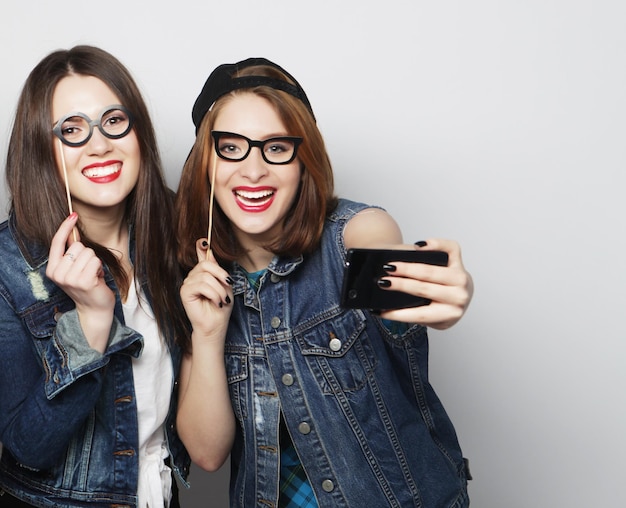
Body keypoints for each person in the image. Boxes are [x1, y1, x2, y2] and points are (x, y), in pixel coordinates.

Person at [175, 57, 474, 507]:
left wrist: (436, 291)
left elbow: (384, 267)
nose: (253, 170)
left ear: (303, 161)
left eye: (276, 148)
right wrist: (208, 334)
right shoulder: (197, 281)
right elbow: (207, 453)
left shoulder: (355, 231)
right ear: (205, 162)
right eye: (231, 147)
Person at [0, 45, 191, 507]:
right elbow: (28, 447)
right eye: (72, 129)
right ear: (42, 151)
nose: (99, 144)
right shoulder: (8, 264)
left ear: (137, 130)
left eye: (113, 121)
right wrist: (89, 323)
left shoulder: (179, 233)